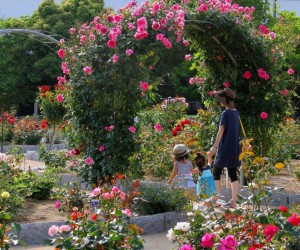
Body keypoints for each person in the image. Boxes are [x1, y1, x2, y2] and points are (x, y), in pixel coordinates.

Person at [209, 88, 240, 208]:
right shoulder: (236, 113)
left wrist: (214, 147)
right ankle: (234, 201)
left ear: (224, 101)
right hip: (234, 148)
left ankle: (216, 198)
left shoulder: (225, 113)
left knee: (216, 170)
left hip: (225, 148)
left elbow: (220, 131)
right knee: (233, 173)